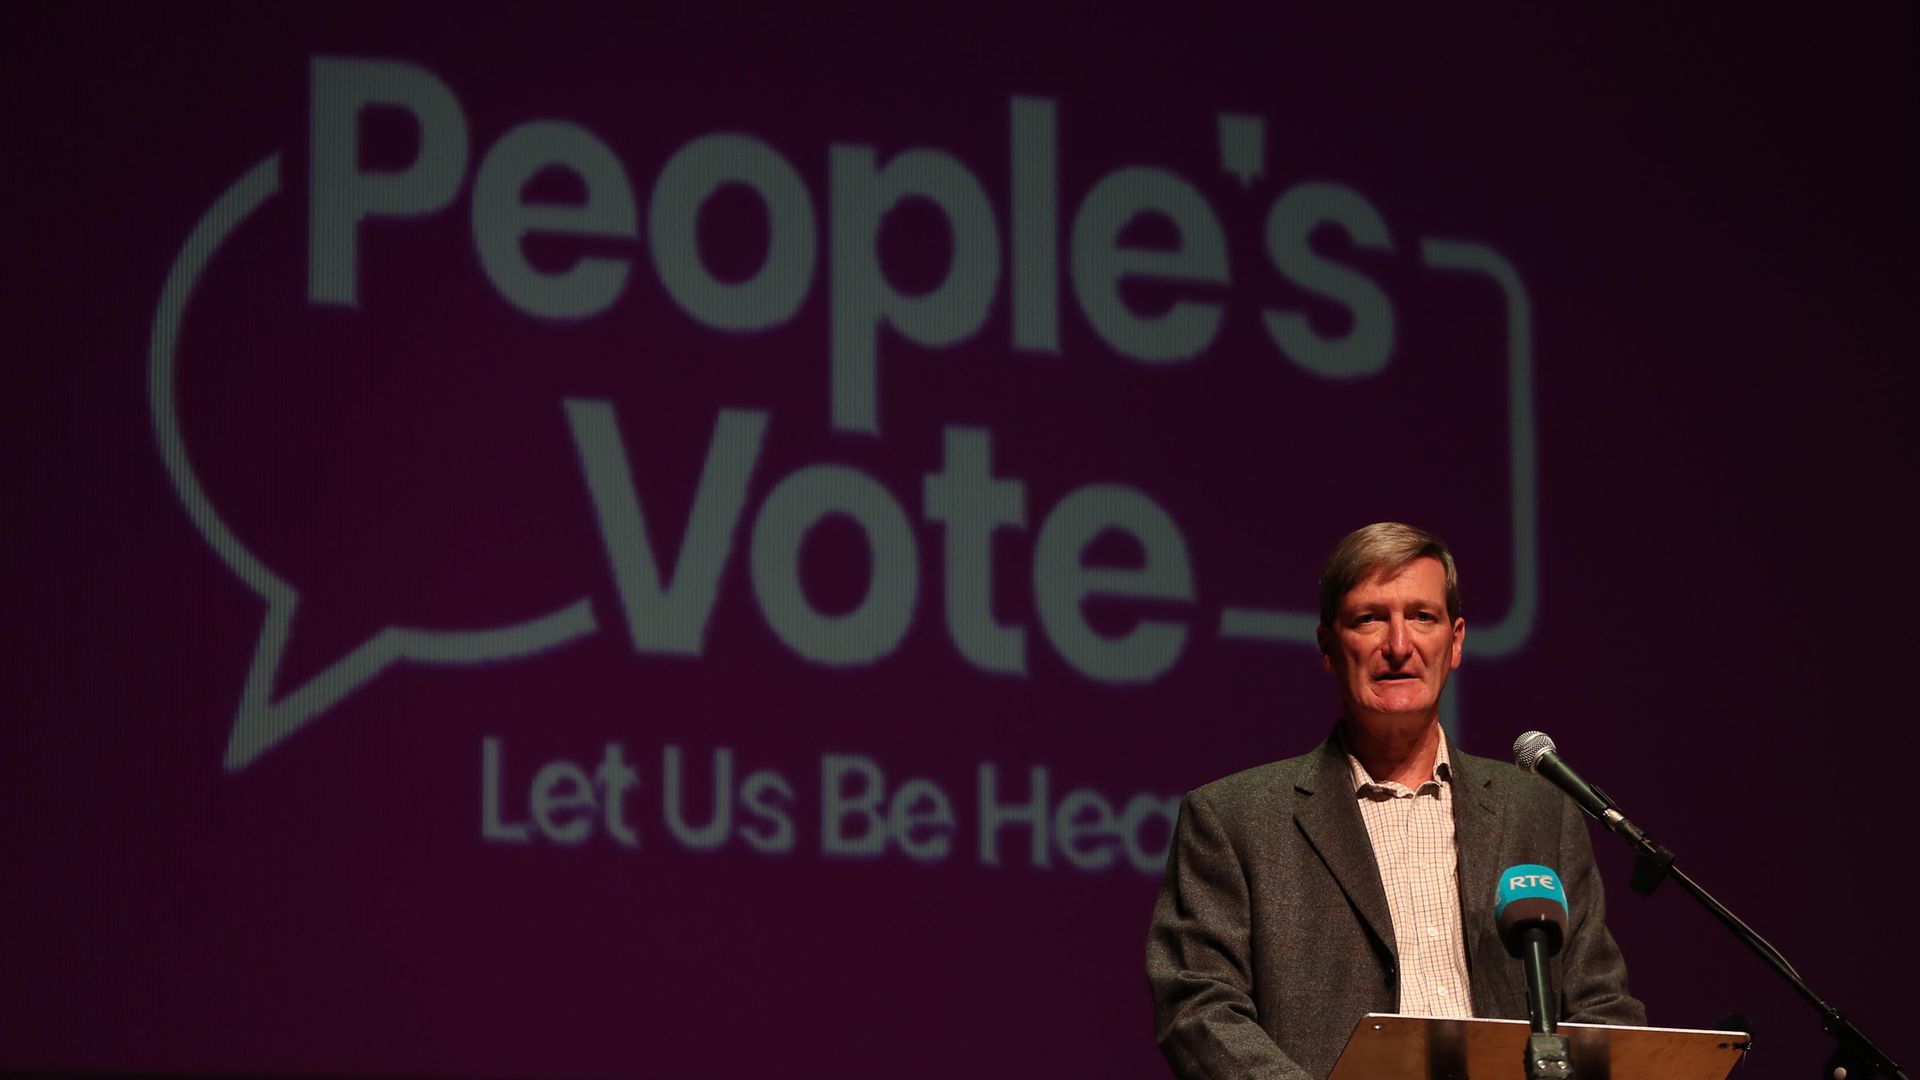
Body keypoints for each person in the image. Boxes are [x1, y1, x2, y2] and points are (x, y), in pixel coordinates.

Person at [1146, 522, 1644, 1079]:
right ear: (1328, 646)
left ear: (1455, 642)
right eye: (1369, 619)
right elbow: (1199, 1009)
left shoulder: (1537, 813)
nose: (1399, 646)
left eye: (1422, 617)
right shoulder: (1235, 819)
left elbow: (1600, 1009)